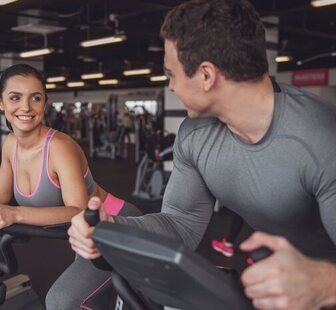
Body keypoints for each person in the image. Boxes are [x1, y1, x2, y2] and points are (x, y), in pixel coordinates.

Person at [68, 0, 336, 309]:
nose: (170, 87)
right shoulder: (194, 135)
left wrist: (322, 282)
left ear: (206, 75)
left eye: (171, 74)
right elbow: (180, 223)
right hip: (282, 286)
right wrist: (111, 229)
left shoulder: (319, 140)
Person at [0, 64, 141, 310]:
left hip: (117, 225)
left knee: (62, 301)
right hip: (85, 235)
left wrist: (14, 213)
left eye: (35, 98)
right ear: (0, 102)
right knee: (85, 300)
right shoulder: (11, 143)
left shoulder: (59, 147)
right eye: (15, 98)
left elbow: (77, 209)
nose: (25, 107)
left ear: (45, 102)